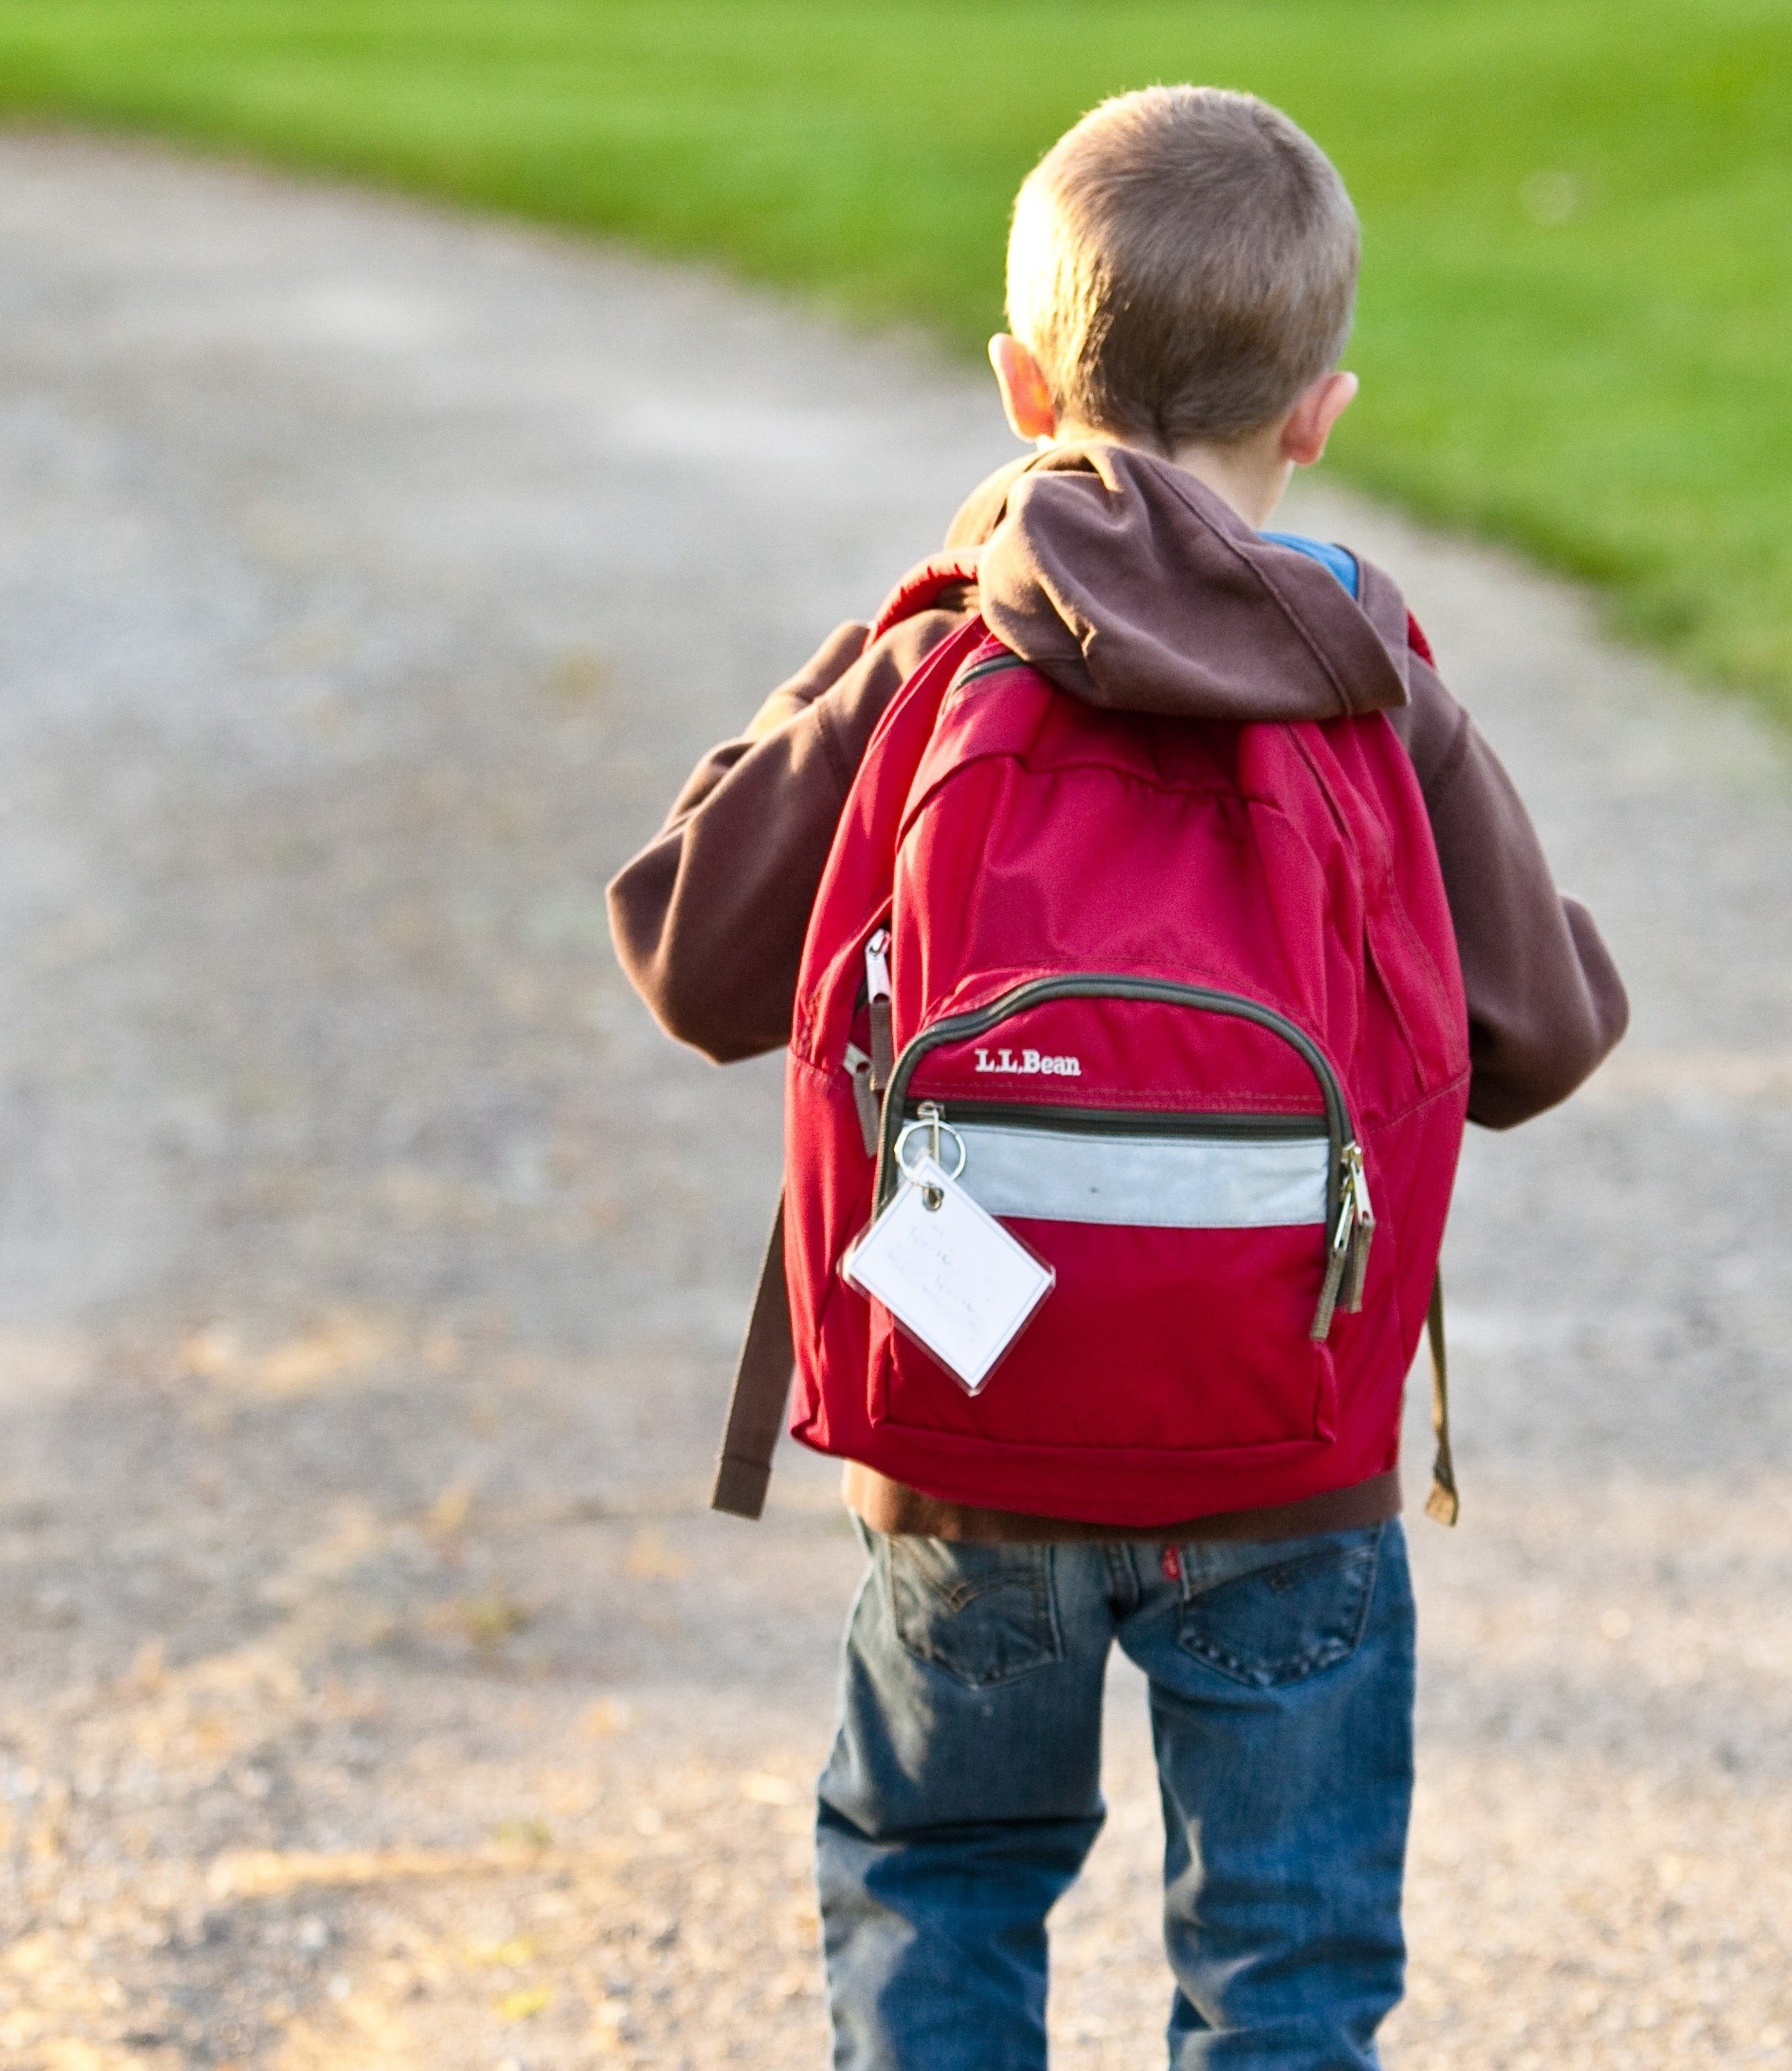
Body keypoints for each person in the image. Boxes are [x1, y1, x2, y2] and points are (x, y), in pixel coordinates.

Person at [609, 84, 1625, 2071]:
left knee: (941, 1875)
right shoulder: (1366, 672)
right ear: (1320, 408)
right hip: (1284, 1446)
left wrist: (880, 646)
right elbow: (1542, 1037)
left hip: (965, 1419)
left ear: (1014, 382)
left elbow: (684, 950)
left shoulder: (932, 654)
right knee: (1282, 1961)